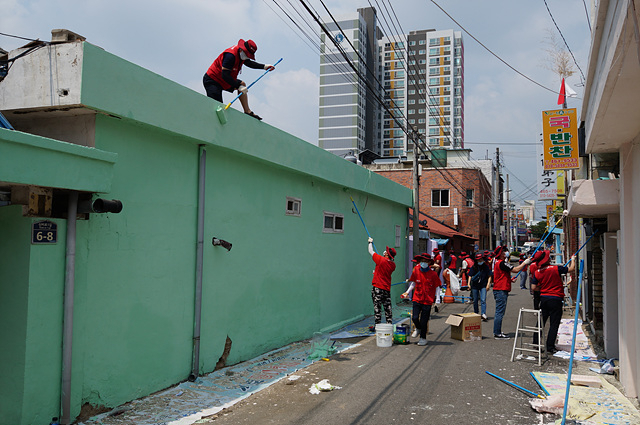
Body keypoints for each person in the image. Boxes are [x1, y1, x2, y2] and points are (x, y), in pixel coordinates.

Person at [203, 39, 275, 121]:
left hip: (224, 80)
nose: (247, 57)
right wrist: (238, 86)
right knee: (217, 107)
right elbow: (225, 75)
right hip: (213, 80)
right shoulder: (230, 56)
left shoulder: (242, 54)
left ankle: (247, 111)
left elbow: (248, 63)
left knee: (242, 84)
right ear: (241, 49)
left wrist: (264, 66)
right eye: (247, 55)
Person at [530, 250, 576, 354]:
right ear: (547, 259)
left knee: (541, 322)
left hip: (544, 299)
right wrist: (573, 259)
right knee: (554, 324)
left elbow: (533, 287)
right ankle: (550, 346)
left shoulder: (537, 272)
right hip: (556, 299)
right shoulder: (556, 268)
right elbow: (571, 269)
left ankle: (536, 343)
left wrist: (542, 289)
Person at [491, 245, 531, 339]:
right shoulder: (502, 263)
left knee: (499, 311)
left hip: (500, 288)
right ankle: (497, 333)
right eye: (503, 251)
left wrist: (510, 279)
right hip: (501, 290)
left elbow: (502, 275)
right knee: (500, 312)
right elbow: (516, 269)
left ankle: (497, 331)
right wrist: (525, 262)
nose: (506, 253)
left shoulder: (498, 263)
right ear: (500, 254)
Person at [402, 253, 441, 346]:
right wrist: (407, 292)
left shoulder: (433, 274)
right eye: (422, 261)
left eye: (425, 261)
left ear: (428, 263)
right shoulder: (416, 271)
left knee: (424, 320)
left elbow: (437, 287)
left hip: (427, 300)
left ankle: (423, 338)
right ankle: (418, 328)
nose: (423, 263)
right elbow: (413, 283)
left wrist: (438, 299)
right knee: (415, 317)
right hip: (417, 298)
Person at [367, 237, 396, 327]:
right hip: (386, 288)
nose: (385, 252)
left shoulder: (380, 259)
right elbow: (383, 270)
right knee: (387, 308)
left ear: (387, 254)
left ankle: (378, 326)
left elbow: (371, 251)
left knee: (377, 308)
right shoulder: (393, 265)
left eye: (386, 251)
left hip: (378, 288)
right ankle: (389, 325)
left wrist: (370, 243)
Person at [468, 253, 492, 321]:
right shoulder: (474, 267)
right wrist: (469, 284)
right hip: (475, 285)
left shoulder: (486, 267)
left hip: (483, 285)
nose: (480, 261)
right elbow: (470, 275)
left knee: (483, 300)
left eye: (481, 259)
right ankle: (476, 312)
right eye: (479, 260)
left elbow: (490, 276)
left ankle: (483, 313)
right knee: (475, 300)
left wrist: (488, 284)